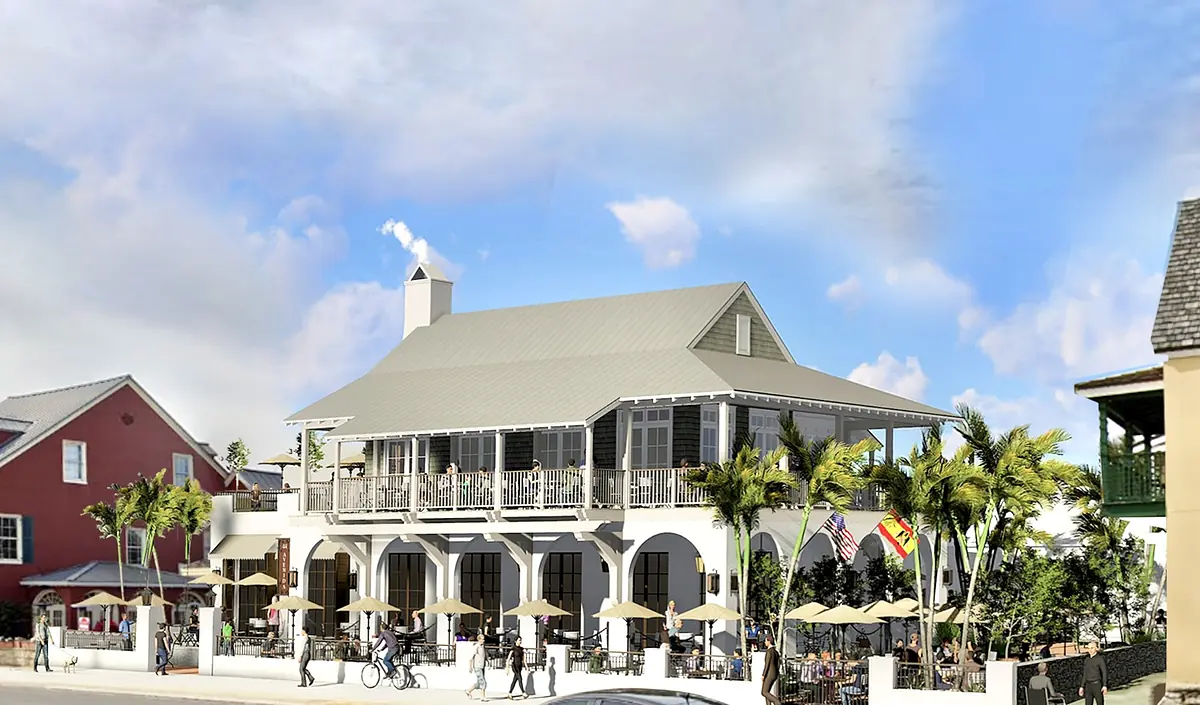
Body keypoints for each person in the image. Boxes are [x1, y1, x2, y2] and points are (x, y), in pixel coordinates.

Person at [465, 633, 487, 700]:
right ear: (479, 639)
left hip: (482, 665)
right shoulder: (476, 646)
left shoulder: (483, 646)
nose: (484, 640)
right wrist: (470, 667)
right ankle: (482, 696)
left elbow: (484, 655)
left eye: (484, 639)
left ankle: (468, 690)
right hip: (477, 666)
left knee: (479, 683)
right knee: (482, 681)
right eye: (482, 639)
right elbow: (471, 657)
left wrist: (488, 662)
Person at [761, 634, 781, 705]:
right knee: (767, 692)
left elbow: (767, 664)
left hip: (769, 674)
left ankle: (777, 702)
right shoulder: (776, 652)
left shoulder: (769, 652)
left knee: (764, 692)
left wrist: (763, 675)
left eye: (765, 641)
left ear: (769, 641)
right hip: (774, 674)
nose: (765, 642)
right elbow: (778, 664)